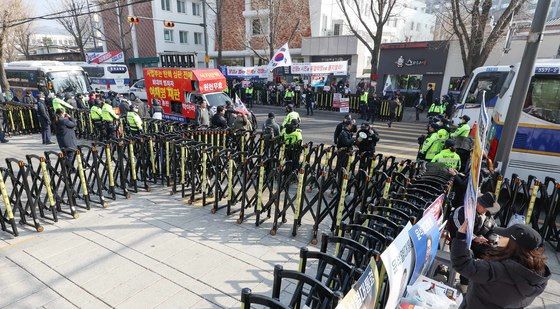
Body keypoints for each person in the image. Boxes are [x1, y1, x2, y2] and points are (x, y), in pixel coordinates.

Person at [451, 221, 550, 308]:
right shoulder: (537, 276)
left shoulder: (498, 270)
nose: (500, 237)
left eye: (504, 236)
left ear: (512, 243)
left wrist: (461, 237)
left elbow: (462, 264)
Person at [447, 192, 502, 293]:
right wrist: (474, 238)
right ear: (477, 203)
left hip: (479, 245)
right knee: (469, 255)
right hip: (460, 243)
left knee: (494, 254)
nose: (485, 210)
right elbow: (459, 227)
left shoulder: (488, 216)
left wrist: (491, 240)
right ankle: (465, 284)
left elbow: (493, 231)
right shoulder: (463, 211)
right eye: (484, 207)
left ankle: (483, 284)